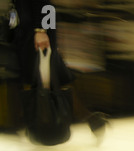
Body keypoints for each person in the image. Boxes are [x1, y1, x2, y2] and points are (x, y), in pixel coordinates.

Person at [13, 0, 108, 143]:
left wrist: (42, 31)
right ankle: (92, 120)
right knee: (45, 84)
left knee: (44, 86)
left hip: (37, 39)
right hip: (29, 37)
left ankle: (41, 126)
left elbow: (46, 5)